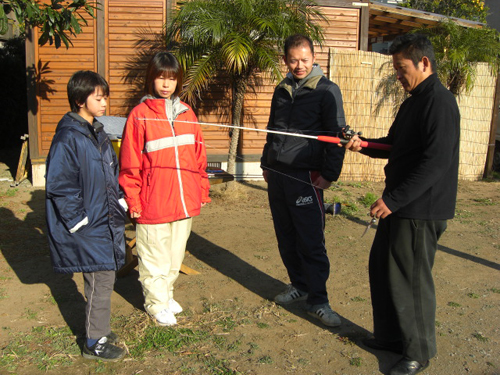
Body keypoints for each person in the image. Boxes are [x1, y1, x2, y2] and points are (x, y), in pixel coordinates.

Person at [343, 33, 460, 375]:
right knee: (384, 270)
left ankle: (418, 351)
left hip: (420, 210)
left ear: (424, 63)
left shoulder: (440, 102)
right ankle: (392, 338)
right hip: (402, 205)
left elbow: (435, 162)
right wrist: (363, 144)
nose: (397, 74)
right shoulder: (414, 101)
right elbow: (394, 145)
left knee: (411, 280)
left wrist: (392, 200)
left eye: (401, 67)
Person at [119, 51, 210, 327]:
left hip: (183, 202)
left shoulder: (187, 113)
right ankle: (156, 304)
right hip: (153, 201)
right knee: (153, 256)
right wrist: (132, 198)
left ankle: (166, 294)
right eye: (161, 77)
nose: (166, 84)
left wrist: (202, 188)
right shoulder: (140, 115)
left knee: (174, 255)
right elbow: (130, 162)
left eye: (171, 78)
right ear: (151, 79)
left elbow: (199, 155)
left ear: (179, 81)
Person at [260, 34, 346, 327]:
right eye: (293, 60)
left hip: (307, 176)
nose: (299, 65)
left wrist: (329, 175)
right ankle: (299, 284)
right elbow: (273, 128)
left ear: (314, 57)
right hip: (279, 175)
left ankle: (319, 300)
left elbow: (337, 135)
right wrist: (265, 162)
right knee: (285, 235)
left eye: (305, 59)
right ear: (285, 60)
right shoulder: (281, 90)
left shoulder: (327, 91)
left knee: (310, 240)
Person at [45, 71, 127, 361]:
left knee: (103, 277)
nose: (104, 103)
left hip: (104, 219)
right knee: (100, 278)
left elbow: (110, 173)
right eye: (98, 97)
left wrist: (119, 199)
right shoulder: (68, 137)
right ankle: (94, 341)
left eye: (105, 97)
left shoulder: (98, 132)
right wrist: (78, 220)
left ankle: (98, 329)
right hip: (89, 225)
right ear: (80, 100)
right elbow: (59, 184)